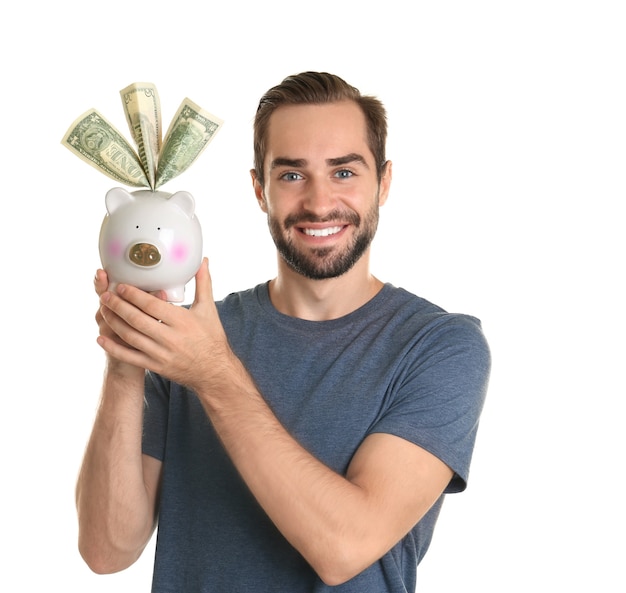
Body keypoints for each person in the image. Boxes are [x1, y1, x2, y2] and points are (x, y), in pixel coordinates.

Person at [76, 71, 491, 592]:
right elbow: (106, 550)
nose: (319, 204)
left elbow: (344, 547)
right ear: (259, 188)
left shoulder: (438, 346)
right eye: (292, 175)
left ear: (384, 182)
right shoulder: (192, 338)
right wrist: (125, 363)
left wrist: (212, 373)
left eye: (344, 172)